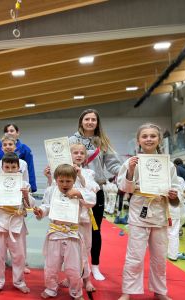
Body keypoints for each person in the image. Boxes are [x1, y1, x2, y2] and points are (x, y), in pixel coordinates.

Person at [117, 123, 181, 300]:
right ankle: (128, 291)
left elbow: (177, 191)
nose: (149, 139)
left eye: (153, 136)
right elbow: (124, 188)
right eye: (145, 136)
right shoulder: (131, 162)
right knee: (135, 256)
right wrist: (130, 171)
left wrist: (174, 195)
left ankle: (160, 291)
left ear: (159, 139)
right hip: (139, 213)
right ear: (139, 140)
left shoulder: (168, 165)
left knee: (159, 258)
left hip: (160, 213)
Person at [69, 108, 121, 281]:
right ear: (81, 121)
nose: (90, 122)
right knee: (72, 229)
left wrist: (128, 171)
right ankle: (74, 268)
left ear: (97, 123)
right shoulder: (70, 140)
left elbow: (113, 165)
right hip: (74, 190)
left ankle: (95, 266)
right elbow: (60, 161)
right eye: (87, 119)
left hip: (95, 190)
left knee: (95, 229)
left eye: (93, 119)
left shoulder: (103, 142)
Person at [43, 143, 99, 294]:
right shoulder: (61, 170)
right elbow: (53, 193)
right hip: (62, 220)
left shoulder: (88, 172)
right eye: (75, 152)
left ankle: (86, 279)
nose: (79, 155)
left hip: (82, 218)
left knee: (83, 251)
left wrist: (80, 176)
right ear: (69, 154)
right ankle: (68, 280)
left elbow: (93, 191)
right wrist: (49, 177)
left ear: (85, 156)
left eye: (82, 153)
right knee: (63, 256)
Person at [34, 164, 95, 300]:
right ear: (56, 180)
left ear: (74, 180)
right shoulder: (51, 191)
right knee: (51, 266)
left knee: (73, 268)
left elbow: (92, 200)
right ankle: (50, 288)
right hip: (54, 234)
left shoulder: (79, 191)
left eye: (68, 181)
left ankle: (76, 292)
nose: (65, 184)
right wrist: (41, 211)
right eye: (61, 181)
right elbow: (46, 206)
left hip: (72, 234)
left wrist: (79, 193)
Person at [0, 152, 34, 295]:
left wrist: (26, 195)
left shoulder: (24, 184)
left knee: (19, 256)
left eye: (13, 167)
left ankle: (19, 281)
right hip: (0, 222)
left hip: (17, 223)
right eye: (7, 167)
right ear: (2, 168)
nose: (10, 170)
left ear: (18, 168)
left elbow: (30, 206)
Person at [0, 123, 37, 192]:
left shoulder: (23, 163)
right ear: (2, 148)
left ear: (15, 147)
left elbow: (26, 179)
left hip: (18, 194)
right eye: (5, 145)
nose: (8, 147)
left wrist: (31, 188)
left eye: (10, 144)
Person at [173, 158, 185, 227]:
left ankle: (179, 227)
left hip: (178, 198)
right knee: (184, 214)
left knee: (178, 215)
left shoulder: (178, 172)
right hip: (184, 195)